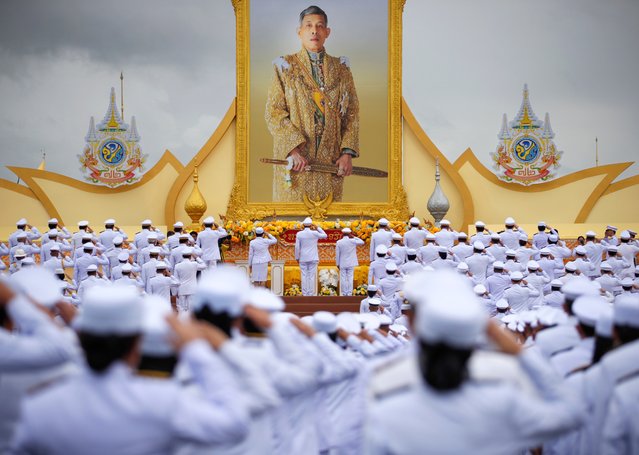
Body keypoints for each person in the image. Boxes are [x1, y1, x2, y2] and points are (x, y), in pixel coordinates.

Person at [11, 284, 251, 453]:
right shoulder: (162, 399)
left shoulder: (39, 406)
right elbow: (234, 424)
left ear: (79, 334)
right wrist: (197, 349)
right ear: (138, 342)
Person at [365, 271, 585, 454]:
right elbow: (574, 411)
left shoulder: (387, 406)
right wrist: (520, 353)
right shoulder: (503, 403)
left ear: (412, 324)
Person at [265, 5, 359, 202]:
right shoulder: (285, 66)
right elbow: (274, 112)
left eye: (319, 26)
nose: (314, 31)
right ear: (300, 32)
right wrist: (293, 149)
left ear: (327, 32)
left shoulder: (342, 70)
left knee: (329, 227)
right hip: (297, 162)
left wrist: (347, 153)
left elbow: (351, 113)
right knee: (290, 226)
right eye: (308, 26)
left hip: (331, 161)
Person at [294, 217, 327, 296]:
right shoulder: (315, 233)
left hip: (303, 257)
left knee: (304, 275)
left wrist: (297, 257)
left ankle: (305, 293)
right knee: (311, 276)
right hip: (313, 257)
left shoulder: (299, 234)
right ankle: (311, 293)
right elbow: (325, 235)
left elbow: (297, 247)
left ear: (303, 225)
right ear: (311, 225)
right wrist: (318, 227)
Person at [335, 227, 364, 296]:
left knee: (343, 278)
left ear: (342, 234)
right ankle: (349, 293)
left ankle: (344, 293)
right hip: (351, 262)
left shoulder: (339, 242)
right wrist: (354, 237)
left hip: (342, 262)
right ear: (349, 234)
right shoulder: (353, 241)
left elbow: (337, 254)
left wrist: (337, 263)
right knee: (350, 277)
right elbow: (362, 242)